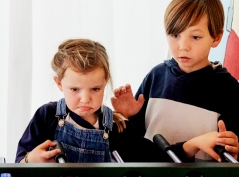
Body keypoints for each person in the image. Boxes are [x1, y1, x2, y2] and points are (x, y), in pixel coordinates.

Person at [15, 38, 227, 163]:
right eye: (74, 89)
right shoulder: (46, 117)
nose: (85, 99)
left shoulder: (118, 125)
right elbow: (18, 165)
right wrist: (29, 160)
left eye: (95, 89)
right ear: (59, 84)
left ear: (105, 82)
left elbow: (155, 158)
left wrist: (193, 144)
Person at [111, 0, 239, 162]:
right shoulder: (156, 76)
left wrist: (234, 150)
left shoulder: (228, 89)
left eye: (195, 37)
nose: (183, 46)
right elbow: (136, 142)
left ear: (216, 38)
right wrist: (127, 117)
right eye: (175, 35)